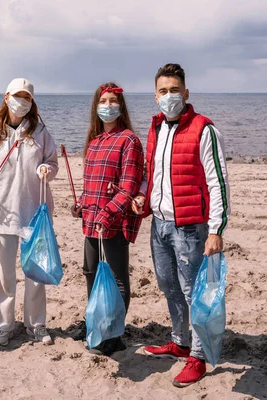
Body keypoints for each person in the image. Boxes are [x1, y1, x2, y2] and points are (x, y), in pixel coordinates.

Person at [132, 63, 231, 386]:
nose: (169, 96)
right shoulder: (157, 128)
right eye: (163, 91)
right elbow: (151, 174)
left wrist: (216, 230)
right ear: (155, 96)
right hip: (159, 225)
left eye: (175, 90)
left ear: (186, 93)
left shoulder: (204, 129)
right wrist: (142, 197)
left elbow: (218, 182)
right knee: (169, 286)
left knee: (194, 292)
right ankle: (180, 341)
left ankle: (199, 357)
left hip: (190, 227)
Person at [0, 78, 58, 346]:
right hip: (0, 211)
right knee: (4, 274)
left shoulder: (40, 131)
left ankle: (35, 324)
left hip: (34, 213)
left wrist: (47, 170)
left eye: (27, 97)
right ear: (6, 97)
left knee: (35, 273)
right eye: (18, 96)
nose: (23, 101)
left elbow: (51, 161)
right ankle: (4, 324)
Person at [71, 82, 144, 356]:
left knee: (116, 277)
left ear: (121, 106)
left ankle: (114, 333)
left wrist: (108, 212)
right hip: (91, 220)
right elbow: (91, 184)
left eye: (113, 100)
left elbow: (128, 187)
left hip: (114, 221)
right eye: (103, 101)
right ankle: (95, 322)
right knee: (91, 273)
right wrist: (80, 204)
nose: (108, 105)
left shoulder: (129, 141)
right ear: (96, 106)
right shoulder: (94, 141)